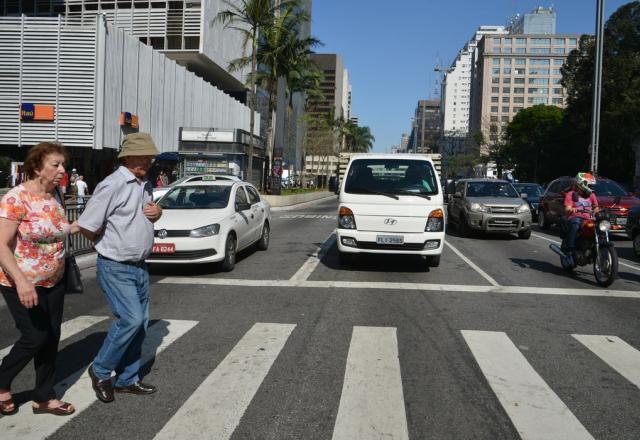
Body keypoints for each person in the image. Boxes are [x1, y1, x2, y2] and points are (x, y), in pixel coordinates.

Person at [76, 132, 162, 404]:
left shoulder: (144, 184)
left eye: (150, 156)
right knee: (131, 320)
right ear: (126, 157)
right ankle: (100, 370)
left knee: (141, 325)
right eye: (143, 156)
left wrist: (158, 214)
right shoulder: (112, 184)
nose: (148, 160)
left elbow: (143, 217)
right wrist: (108, 244)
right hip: (116, 265)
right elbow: (87, 225)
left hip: (139, 266)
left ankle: (127, 379)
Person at [0, 142, 80, 416]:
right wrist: (22, 282)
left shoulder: (55, 194)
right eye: (55, 165)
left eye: (63, 165)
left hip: (54, 280)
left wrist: (83, 225)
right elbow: (1, 245)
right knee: (35, 337)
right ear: (36, 167)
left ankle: (43, 397)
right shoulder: (16, 198)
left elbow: (57, 227)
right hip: (20, 281)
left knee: (51, 338)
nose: (62, 170)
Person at [563, 172, 599, 264]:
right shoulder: (571, 194)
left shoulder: (592, 195)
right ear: (582, 184)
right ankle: (570, 250)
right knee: (575, 224)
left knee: (600, 227)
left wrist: (596, 211)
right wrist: (571, 209)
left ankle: (595, 247)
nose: (591, 188)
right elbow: (567, 208)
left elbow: (596, 207)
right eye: (590, 185)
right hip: (576, 217)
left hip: (588, 219)